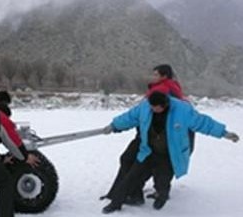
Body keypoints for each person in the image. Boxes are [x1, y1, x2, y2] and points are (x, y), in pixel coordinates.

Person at [101, 91, 239, 214]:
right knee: (131, 177)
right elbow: (129, 117)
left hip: (168, 154)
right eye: (152, 107)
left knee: (162, 181)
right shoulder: (145, 107)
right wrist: (113, 126)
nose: (154, 110)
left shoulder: (182, 110)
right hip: (148, 151)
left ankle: (161, 197)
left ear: (165, 104)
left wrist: (224, 133)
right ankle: (116, 203)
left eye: (157, 108)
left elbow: (203, 123)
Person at [100, 64, 191, 205]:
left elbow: (137, 114)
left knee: (135, 161)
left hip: (156, 136)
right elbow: (138, 114)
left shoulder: (163, 90)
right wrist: (116, 125)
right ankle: (124, 193)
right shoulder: (171, 88)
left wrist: (115, 126)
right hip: (154, 134)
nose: (152, 77)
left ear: (164, 76)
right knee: (134, 161)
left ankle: (130, 195)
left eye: (155, 74)